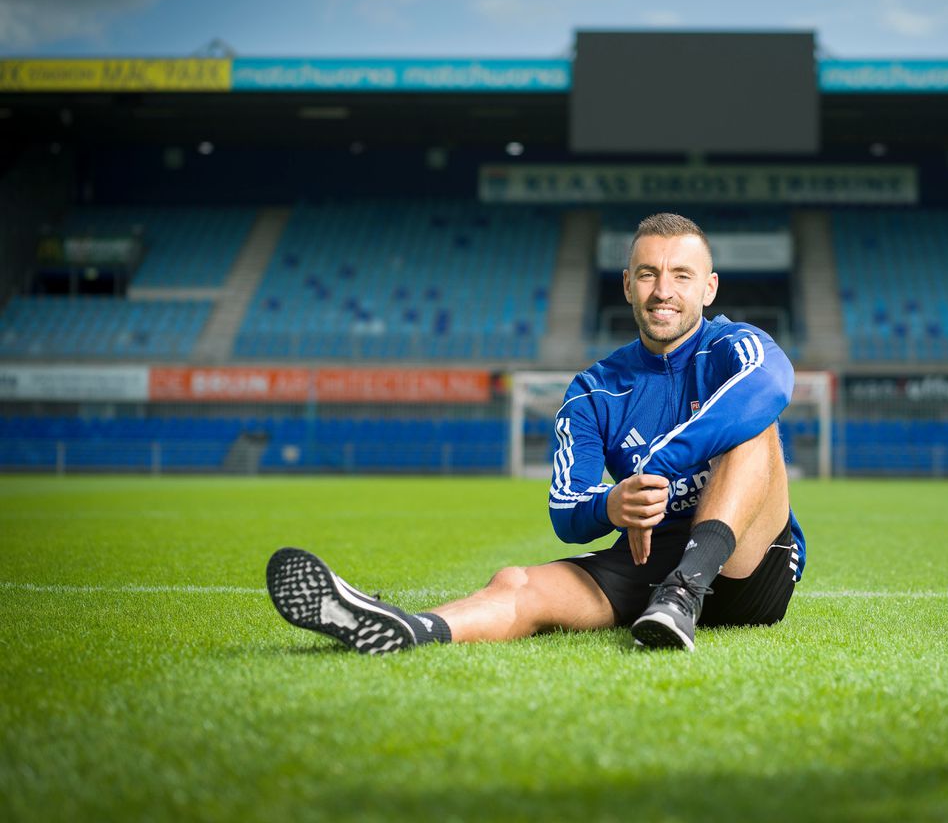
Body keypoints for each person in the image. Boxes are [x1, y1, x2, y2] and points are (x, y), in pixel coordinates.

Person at [266, 212, 805, 653]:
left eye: (681, 276)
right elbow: (566, 512)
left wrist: (658, 463)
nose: (662, 290)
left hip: (745, 570)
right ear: (627, 285)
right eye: (647, 274)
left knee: (755, 429)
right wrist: (613, 505)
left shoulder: (735, 347)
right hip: (648, 562)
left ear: (708, 288)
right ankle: (410, 627)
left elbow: (772, 385)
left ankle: (685, 591)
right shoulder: (594, 390)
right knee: (516, 583)